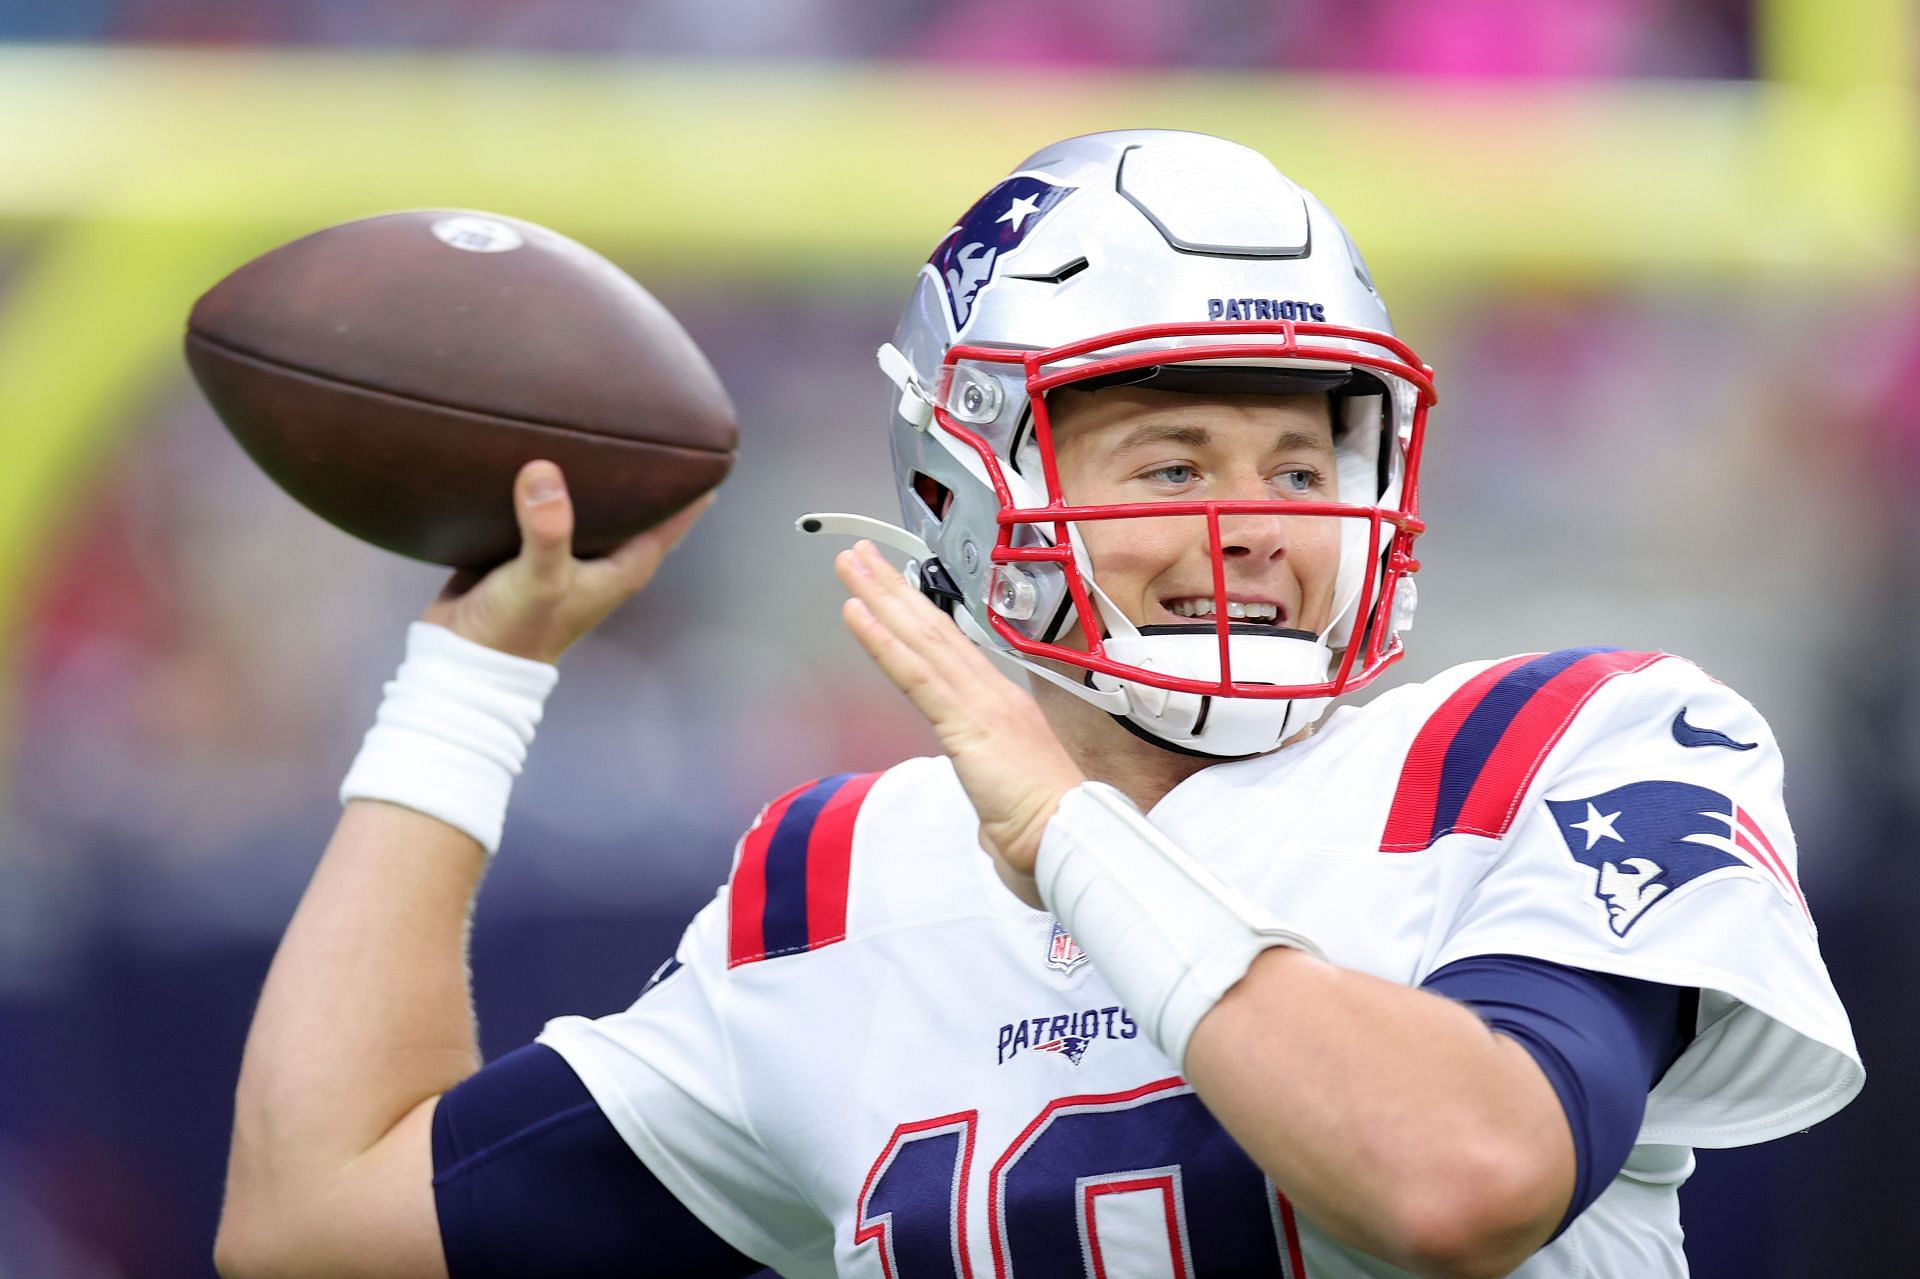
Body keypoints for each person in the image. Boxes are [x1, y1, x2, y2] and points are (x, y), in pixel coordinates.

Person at [214, 130, 1862, 1279]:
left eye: (1304, 457)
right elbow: (315, 1219)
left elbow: (1464, 1182)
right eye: (1173, 461)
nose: (1265, 518)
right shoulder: (841, 891)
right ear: (967, 488)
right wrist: (474, 675)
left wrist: (1073, 838)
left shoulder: (1563, 746)